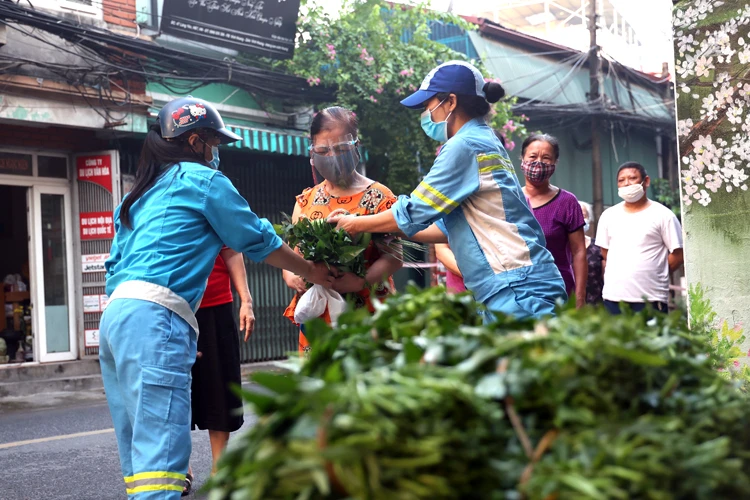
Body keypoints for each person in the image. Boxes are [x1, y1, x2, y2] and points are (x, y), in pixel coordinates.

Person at [99, 96, 333, 499]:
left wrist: (174, 333)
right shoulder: (203, 182)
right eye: (214, 143)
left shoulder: (136, 195)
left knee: (139, 447)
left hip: (117, 320)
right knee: (161, 463)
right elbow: (256, 238)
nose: (216, 152)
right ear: (195, 141)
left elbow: (114, 269)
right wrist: (313, 272)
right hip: (156, 318)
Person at [330, 61, 566, 321]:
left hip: (516, 288)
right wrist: (377, 227)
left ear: (450, 102)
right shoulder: (483, 139)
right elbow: (441, 228)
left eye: (427, 105)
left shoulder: (463, 145)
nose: (425, 114)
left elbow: (415, 211)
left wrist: (354, 224)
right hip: (513, 283)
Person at [282, 106, 403, 353]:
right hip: (319, 318)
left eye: (341, 149)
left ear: (356, 146)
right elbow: (293, 252)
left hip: (368, 314)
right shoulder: (306, 201)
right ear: (312, 153)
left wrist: (360, 281)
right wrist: (291, 275)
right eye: (323, 150)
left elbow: (394, 256)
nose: (332, 156)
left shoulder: (380, 197)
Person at [184, 247, 253, 495]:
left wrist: (246, 299)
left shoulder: (214, 206)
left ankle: (219, 468)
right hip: (173, 305)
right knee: (175, 390)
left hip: (217, 305)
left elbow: (231, 251)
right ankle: (181, 468)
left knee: (220, 387)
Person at [596, 161, 684, 314]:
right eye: (621, 180)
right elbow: (605, 252)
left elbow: (678, 254)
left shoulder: (663, 215)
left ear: (646, 181)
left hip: (651, 298)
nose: (626, 184)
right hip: (614, 297)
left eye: (632, 178)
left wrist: (657, 272)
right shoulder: (608, 216)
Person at [434, 130, 507, 294]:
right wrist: (476, 276)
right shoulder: (450, 197)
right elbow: (441, 249)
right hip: (462, 292)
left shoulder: (513, 197)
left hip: (505, 290)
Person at [520, 134, 587, 307]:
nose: (538, 162)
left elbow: (579, 251)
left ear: (555, 163)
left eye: (546, 158)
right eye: (533, 157)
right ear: (522, 159)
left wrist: (579, 297)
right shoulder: (511, 199)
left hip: (559, 290)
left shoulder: (567, 202)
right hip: (518, 290)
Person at [579, 201, 603, 305]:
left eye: (583, 215)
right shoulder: (561, 248)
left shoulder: (598, 246)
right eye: (575, 215)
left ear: (589, 218)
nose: (579, 219)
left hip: (595, 304)